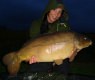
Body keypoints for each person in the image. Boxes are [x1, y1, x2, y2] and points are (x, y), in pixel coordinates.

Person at [28, 0, 70, 76]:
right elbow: (32, 44)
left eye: (59, 12)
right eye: (54, 10)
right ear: (48, 9)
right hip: (42, 56)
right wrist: (30, 57)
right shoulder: (36, 24)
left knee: (64, 67)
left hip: (58, 57)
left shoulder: (63, 26)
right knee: (36, 68)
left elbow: (69, 53)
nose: (56, 14)